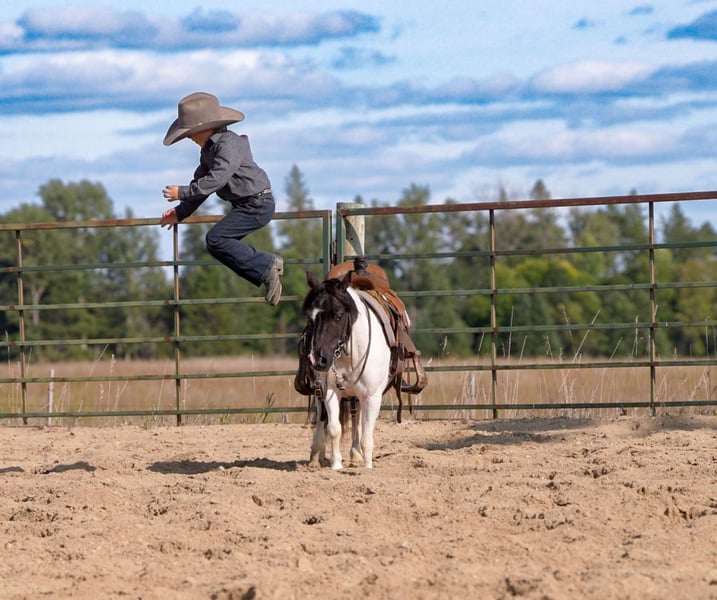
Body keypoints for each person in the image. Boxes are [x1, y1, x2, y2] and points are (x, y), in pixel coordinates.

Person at [160, 92, 283, 305]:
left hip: (258, 205)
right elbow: (202, 183)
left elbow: (216, 179)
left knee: (216, 239)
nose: (189, 138)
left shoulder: (229, 144)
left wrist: (181, 192)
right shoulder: (208, 151)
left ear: (204, 128)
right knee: (217, 240)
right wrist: (180, 212)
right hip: (245, 205)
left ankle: (267, 266)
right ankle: (267, 265)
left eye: (190, 133)